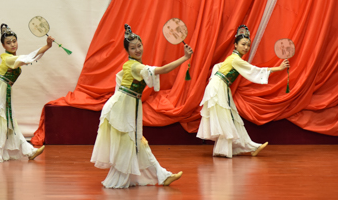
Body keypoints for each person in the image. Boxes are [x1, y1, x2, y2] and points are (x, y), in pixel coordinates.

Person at [90, 24, 192, 189]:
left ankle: (162, 175)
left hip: (129, 105)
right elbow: (163, 69)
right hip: (122, 108)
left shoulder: (133, 65)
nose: (137, 50)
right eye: (133, 48)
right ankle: (124, 179)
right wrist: (184, 58)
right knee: (130, 143)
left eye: (139, 46)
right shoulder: (135, 66)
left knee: (138, 142)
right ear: (127, 51)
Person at [197, 25, 289, 158]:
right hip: (218, 87)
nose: (246, 47)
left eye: (248, 45)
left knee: (230, 118)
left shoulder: (233, 58)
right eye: (243, 44)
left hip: (220, 86)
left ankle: (244, 146)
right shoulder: (235, 59)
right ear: (235, 45)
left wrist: (215, 79)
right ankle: (232, 149)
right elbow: (253, 70)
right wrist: (278, 69)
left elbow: (218, 66)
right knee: (226, 118)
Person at [0, 24, 52, 162]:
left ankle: (26, 151)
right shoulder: (9, 58)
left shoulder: (10, 58)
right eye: (8, 42)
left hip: (1, 89)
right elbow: (29, 57)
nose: (12, 44)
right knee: (2, 122)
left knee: (8, 122)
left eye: (14, 41)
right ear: (3, 45)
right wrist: (47, 46)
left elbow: (2, 72)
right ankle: (0, 153)